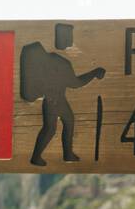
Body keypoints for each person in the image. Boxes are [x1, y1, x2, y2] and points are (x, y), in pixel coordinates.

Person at [20, 24, 105, 165]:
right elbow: (75, 83)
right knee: (50, 128)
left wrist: (94, 73)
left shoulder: (55, 60)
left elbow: (74, 83)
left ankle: (66, 154)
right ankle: (39, 157)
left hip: (57, 99)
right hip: (54, 100)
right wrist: (94, 73)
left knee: (65, 122)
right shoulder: (58, 61)